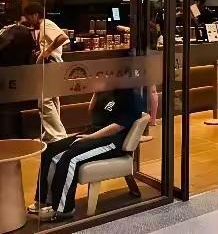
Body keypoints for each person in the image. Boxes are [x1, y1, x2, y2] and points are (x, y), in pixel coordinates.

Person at [29, 88, 143, 222]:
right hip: (93, 132)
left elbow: (118, 127)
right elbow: (92, 111)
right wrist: (96, 92)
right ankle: (45, 200)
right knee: (50, 150)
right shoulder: (109, 90)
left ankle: (64, 209)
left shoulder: (132, 96)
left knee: (69, 158)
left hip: (112, 142)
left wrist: (91, 137)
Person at [23, 2, 69, 142]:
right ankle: (51, 134)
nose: (27, 20)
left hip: (51, 65)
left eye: (28, 17)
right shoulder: (44, 25)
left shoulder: (45, 24)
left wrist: (47, 51)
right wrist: (43, 51)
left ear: (35, 15)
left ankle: (58, 135)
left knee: (44, 101)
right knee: (52, 100)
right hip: (52, 65)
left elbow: (63, 37)